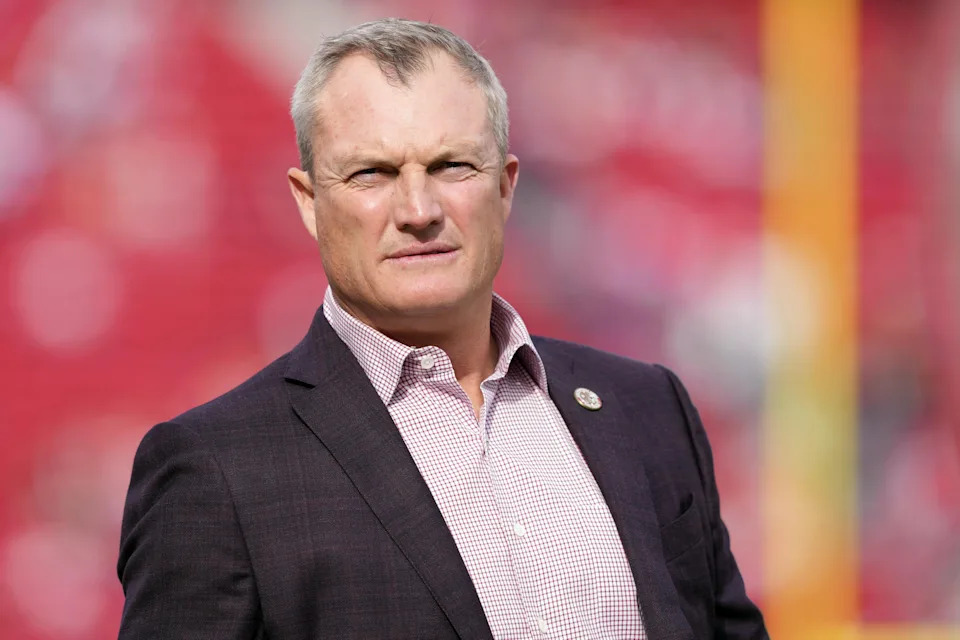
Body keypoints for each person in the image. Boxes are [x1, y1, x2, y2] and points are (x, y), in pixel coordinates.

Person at [117, 17, 767, 640]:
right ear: (310, 201)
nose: (418, 210)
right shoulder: (218, 469)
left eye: (452, 166)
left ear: (506, 187)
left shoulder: (648, 408)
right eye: (372, 173)